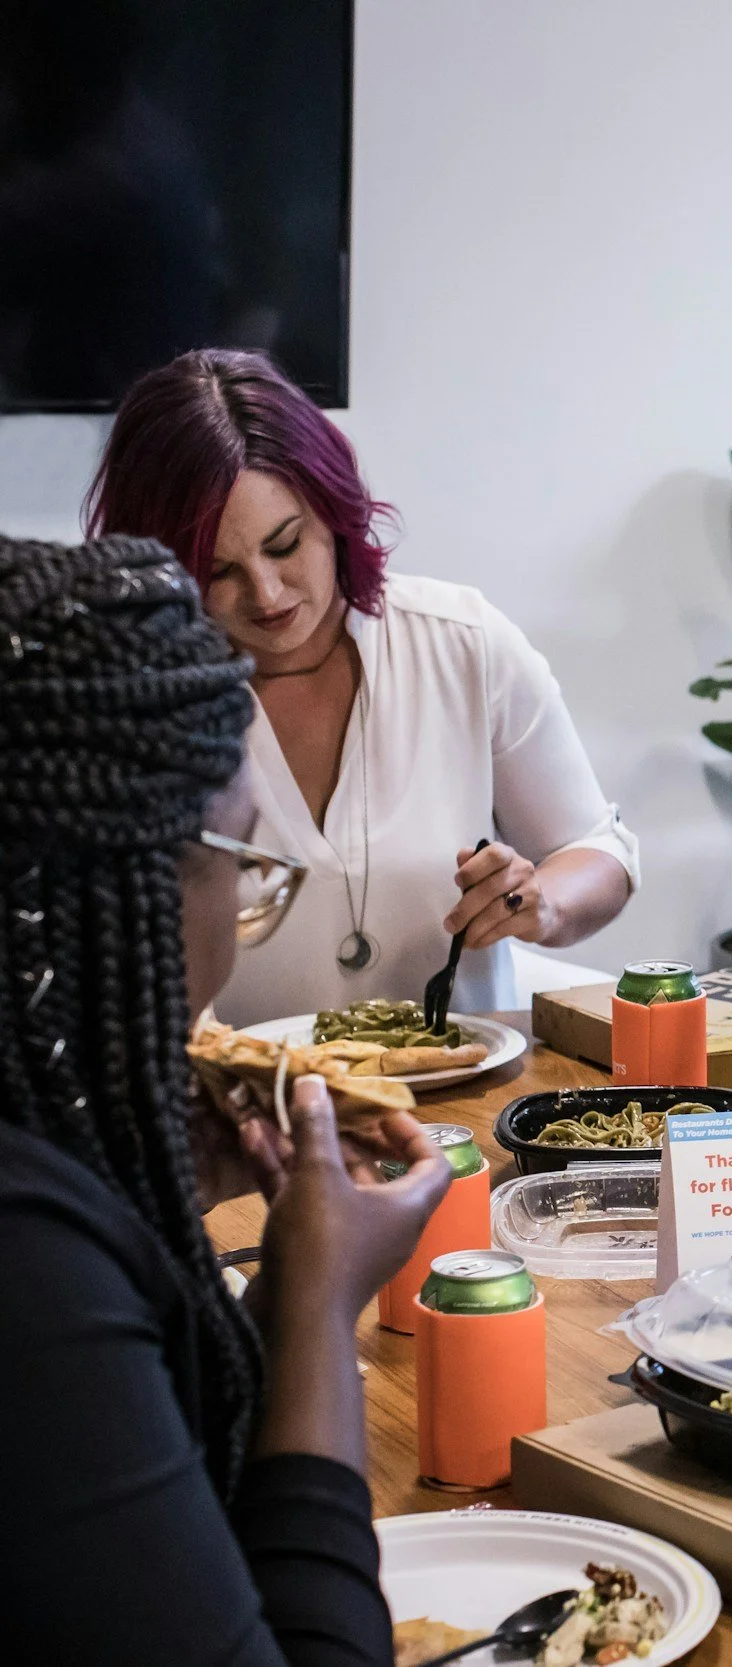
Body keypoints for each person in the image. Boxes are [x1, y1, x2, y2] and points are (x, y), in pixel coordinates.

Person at [0, 533, 453, 1663]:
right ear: (127, 882)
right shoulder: (25, 1268)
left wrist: (154, 1233)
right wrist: (310, 1299)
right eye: (243, 863)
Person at [84, 348, 638, 1024]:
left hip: (459, 1096)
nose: (266, 593)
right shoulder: (133, 699)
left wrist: (539, 902)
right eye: (217, 571)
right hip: (243, 1110)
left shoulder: (460, 642)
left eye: (285, 545)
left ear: (334, 510)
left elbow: (598, 850)